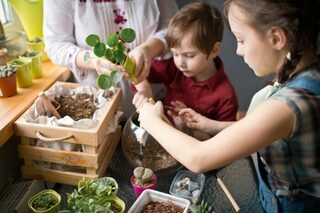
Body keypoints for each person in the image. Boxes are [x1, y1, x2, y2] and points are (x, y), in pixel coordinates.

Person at [136, 0, 320, 212]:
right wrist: (211, 125)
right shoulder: (305, 71)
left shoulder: (289, 104)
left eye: (241, 40)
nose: (239, 51)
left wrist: (151, 120)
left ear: (276, 38)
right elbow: (262, 130)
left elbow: (197, 158)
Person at [43, 0, 178, 119]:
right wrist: (94, 60)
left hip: (154, 99)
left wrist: (147, 49)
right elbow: (56, 44)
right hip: (95, 108)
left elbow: (172, 28)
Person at [131, 2, 238, 139]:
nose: (180, 63)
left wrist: (186, 128)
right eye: (175, 54)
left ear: (214, 50)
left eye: (189, 55)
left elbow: (225, 143)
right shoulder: (174, 68)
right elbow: (136, 69)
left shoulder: (225, 96)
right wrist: (144, 90)